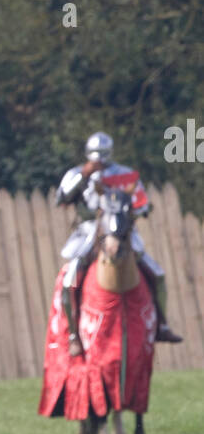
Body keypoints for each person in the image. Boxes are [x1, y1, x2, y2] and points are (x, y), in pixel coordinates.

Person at [56, 130, 182, 354]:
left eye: (103, 153)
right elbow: (62, 198)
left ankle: (161, 325)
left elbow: (141, 202)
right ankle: (74, 334)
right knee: (70, 279)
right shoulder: (77, 173)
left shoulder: (124, 175)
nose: (99, 159)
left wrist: (138, 209)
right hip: (89, 231)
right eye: (96, 154)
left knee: (157, 273)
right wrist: (83, 177)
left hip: (122, 231)